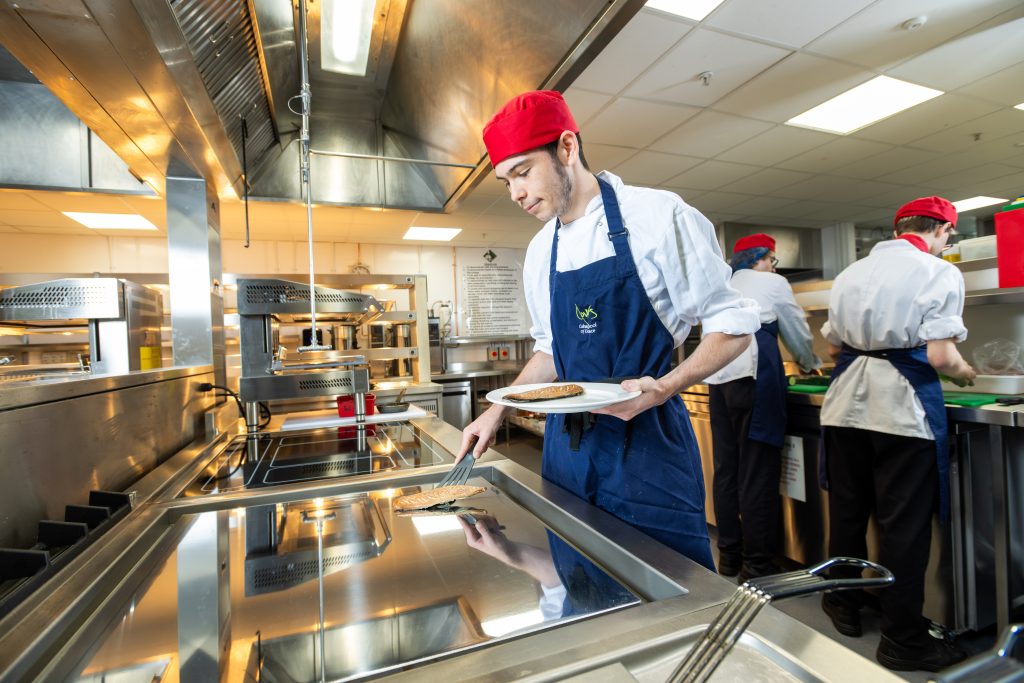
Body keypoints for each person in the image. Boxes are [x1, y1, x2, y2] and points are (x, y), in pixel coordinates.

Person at [455, 90, 760, 570]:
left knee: (669, 591)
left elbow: (734, 327)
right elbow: (552, 352)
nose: (514, 193)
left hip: (645, 446)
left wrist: (663, 388)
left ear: (567, 148)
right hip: (567, 452)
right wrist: (497, 410)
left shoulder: (658, 218)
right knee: (581, 579)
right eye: (505, 181)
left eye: (522, 172)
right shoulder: (541, 252)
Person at [818, 196, 976, 672]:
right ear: (942, 231)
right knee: (902, 528)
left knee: (848, 513)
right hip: (900, 412)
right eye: (949, 236)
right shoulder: (938, 271)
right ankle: (903, 640)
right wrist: (968, 374)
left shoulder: (851, 273)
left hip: (845, 407)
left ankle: (842, 604)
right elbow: (940, 357)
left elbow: (832, 346)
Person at [704, 233, 821, 582]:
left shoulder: (721, 282)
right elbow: (795, 328)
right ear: (763, 257)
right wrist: (808, 361)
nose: (773, 265)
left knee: (727, 470)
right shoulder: (773, 282)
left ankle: (728, 555)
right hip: (754, 378)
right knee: (757, 470)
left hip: (718, 378)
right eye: (772, 259)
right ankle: (758, 565)